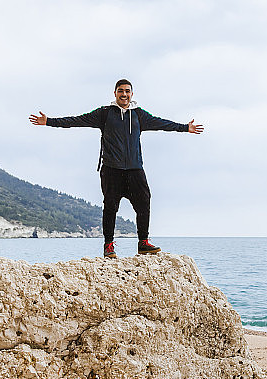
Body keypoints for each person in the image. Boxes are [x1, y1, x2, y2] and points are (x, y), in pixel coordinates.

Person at [29, 79, 204, 258]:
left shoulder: (139, 115)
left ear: (132, 94)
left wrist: (185, 128)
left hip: (135, 169)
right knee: (110, 207)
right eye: (120, 91)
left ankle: (143, 242)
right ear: (115, 93)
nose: (124, 94)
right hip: (112, 169)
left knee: (144, 201)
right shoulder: (104, 114)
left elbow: (162, 124)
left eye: (127, 91)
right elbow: (77, 120)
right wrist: (49, 121)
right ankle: (109, 245)